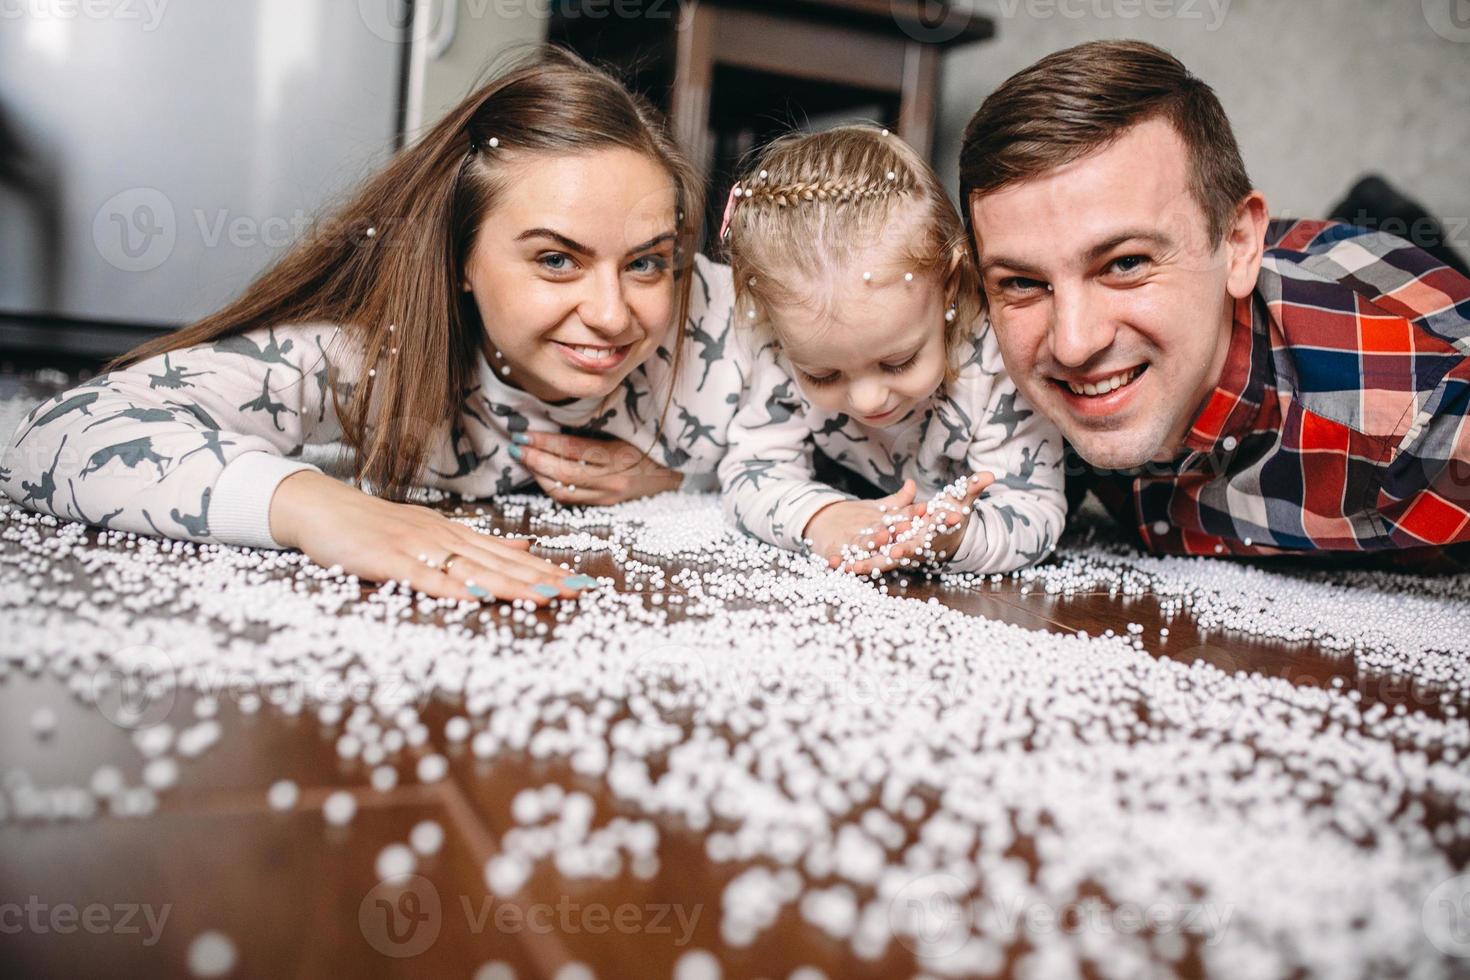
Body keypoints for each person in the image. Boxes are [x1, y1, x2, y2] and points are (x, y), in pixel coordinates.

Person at [1, 48, 745, 602]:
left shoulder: (720, 316)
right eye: (556, 260)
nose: (613, 314)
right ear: (459, 258)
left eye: (648, 263)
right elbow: (58, 434)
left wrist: (686, 475)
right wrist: (313, 507)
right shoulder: (370, 354)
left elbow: (854, 424)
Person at [960, 40, 1470, 557]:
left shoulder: (1419, 410)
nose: (1072, 345)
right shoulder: (979, 377)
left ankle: (1384, 215)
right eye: (1023, 282)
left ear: (1238, 244)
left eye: (1126, 263)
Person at [717, 125, 1064, 575]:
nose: (867, 399)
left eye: (898, 362)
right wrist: (821, 517)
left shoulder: (996, 362)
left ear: (950, 287)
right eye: (822, 375)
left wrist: (958, 537)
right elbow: (749, 473)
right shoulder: (781, 345)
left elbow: (1036, 509)